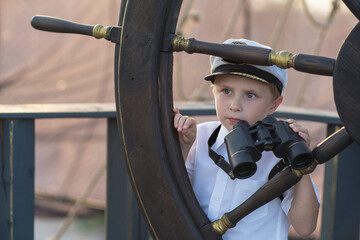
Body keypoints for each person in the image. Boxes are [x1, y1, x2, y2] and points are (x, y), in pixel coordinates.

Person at [173, 39, 319, 240]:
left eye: (250, 95)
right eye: (226, 91)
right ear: (213, 91)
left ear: (274, 105)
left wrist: (300, 161)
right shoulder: (200, 138)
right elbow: (171, 198)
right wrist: (183, 146)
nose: (235, 105)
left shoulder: (280, 154)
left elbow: (305, 226)